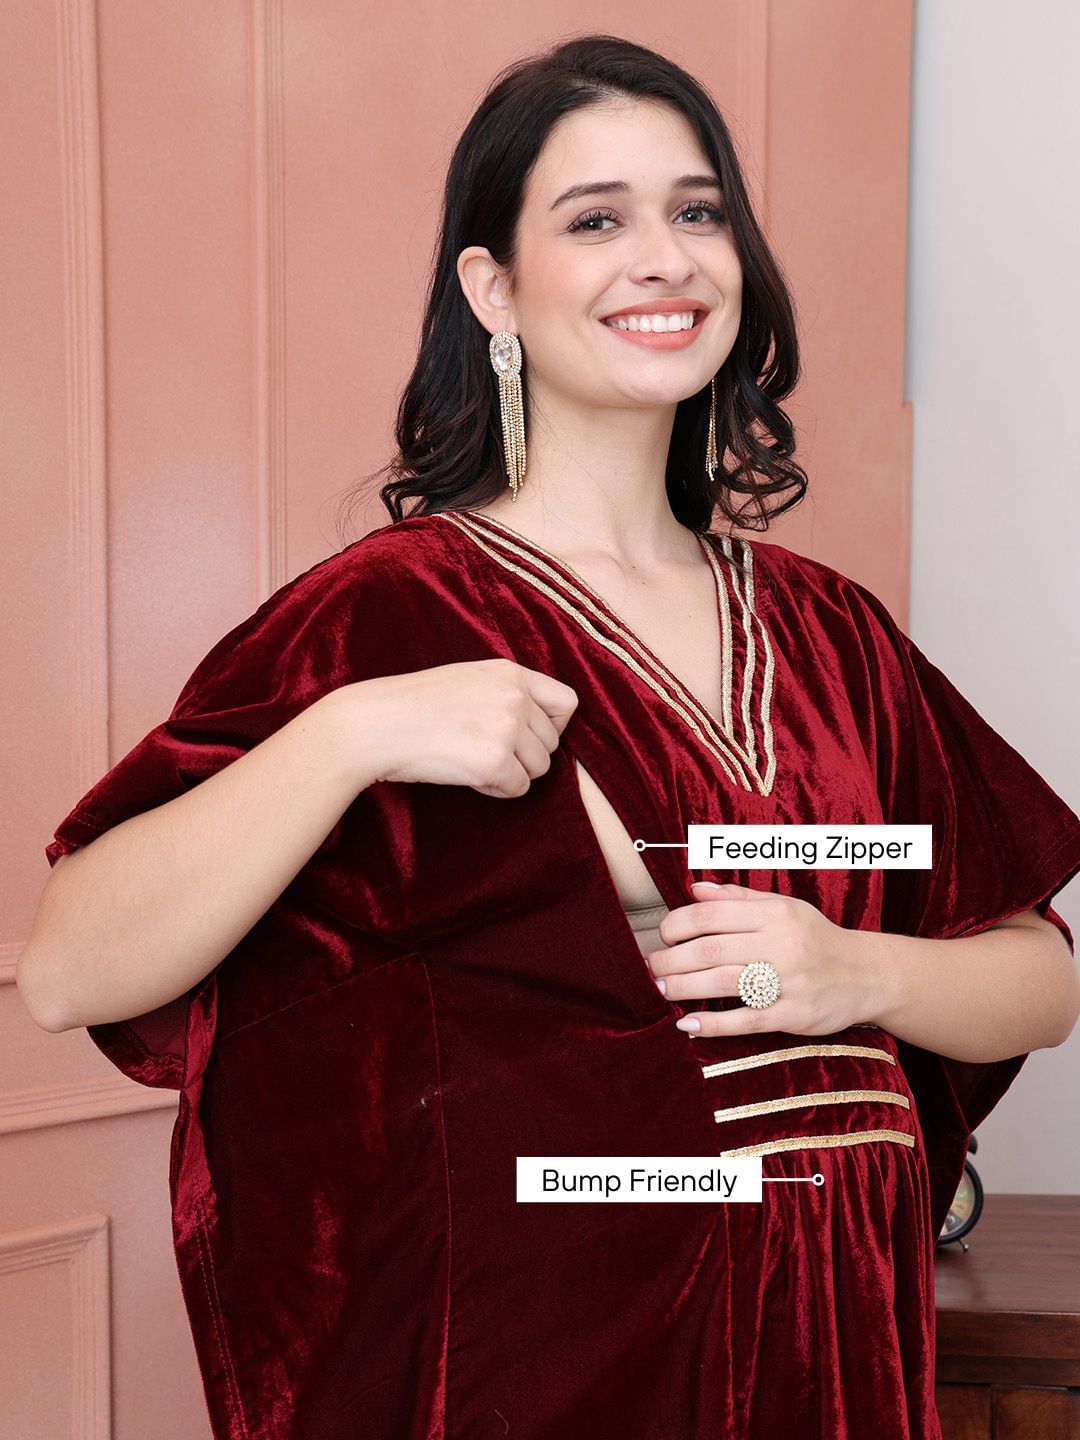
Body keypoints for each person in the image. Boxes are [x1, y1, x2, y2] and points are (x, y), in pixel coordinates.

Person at [18, 33, 1080, 1440]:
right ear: (493, 288)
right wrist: (349, 732)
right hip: (546, 1376)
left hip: (836, 1354)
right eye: (596, 220)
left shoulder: (835, 634)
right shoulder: (393, 615)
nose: (666, 258)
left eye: (698, 212)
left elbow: (1036, 975)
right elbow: (71, 969)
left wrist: (851, 968)